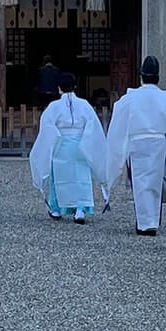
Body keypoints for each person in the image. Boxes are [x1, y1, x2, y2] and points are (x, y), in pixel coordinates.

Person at [106, 56, 166, 236]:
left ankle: (145, 222)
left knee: (140, 182)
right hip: (158, 142)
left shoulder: (129, 99)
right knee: (154, 182)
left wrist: (117, 152)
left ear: (141, 76)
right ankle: (150, 220)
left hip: (137, 143)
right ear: (158, 77)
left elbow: (118, 124)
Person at [29, 73, 107, 224]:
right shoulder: (84, 105)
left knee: (58, 178)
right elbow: (93, 126)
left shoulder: (54, 107)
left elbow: (47, 127)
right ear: (75, 87)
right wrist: (87, 142)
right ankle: (80, 210)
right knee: (81, 177)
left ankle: (56, 209)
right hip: (80, 145)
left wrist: (53, 140)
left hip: (61, 144)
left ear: (59, 88)